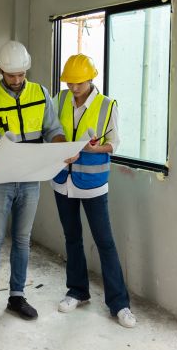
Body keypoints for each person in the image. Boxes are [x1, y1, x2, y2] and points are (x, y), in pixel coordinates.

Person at [0, 41, 66, 328]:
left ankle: (17, 297)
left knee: (23, 240)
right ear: (0, 70)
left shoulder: (41, 93)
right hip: (0, 181)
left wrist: (63, 148)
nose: (17, 80)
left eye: (21, 74)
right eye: (11, 75)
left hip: (30, 180)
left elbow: (53, 130)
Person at [51, 54, 136, 328]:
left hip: (93, 183)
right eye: (70, 83)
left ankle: (119, 304)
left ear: (91, 78)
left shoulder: (107, 106)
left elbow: (115, 144)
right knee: (72, 237)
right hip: (63, 180)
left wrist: (92, 149)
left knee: (105, 242)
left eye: (79, 83)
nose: (74, 88)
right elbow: (51, 130)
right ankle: (77, 291)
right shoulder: (60, 99)